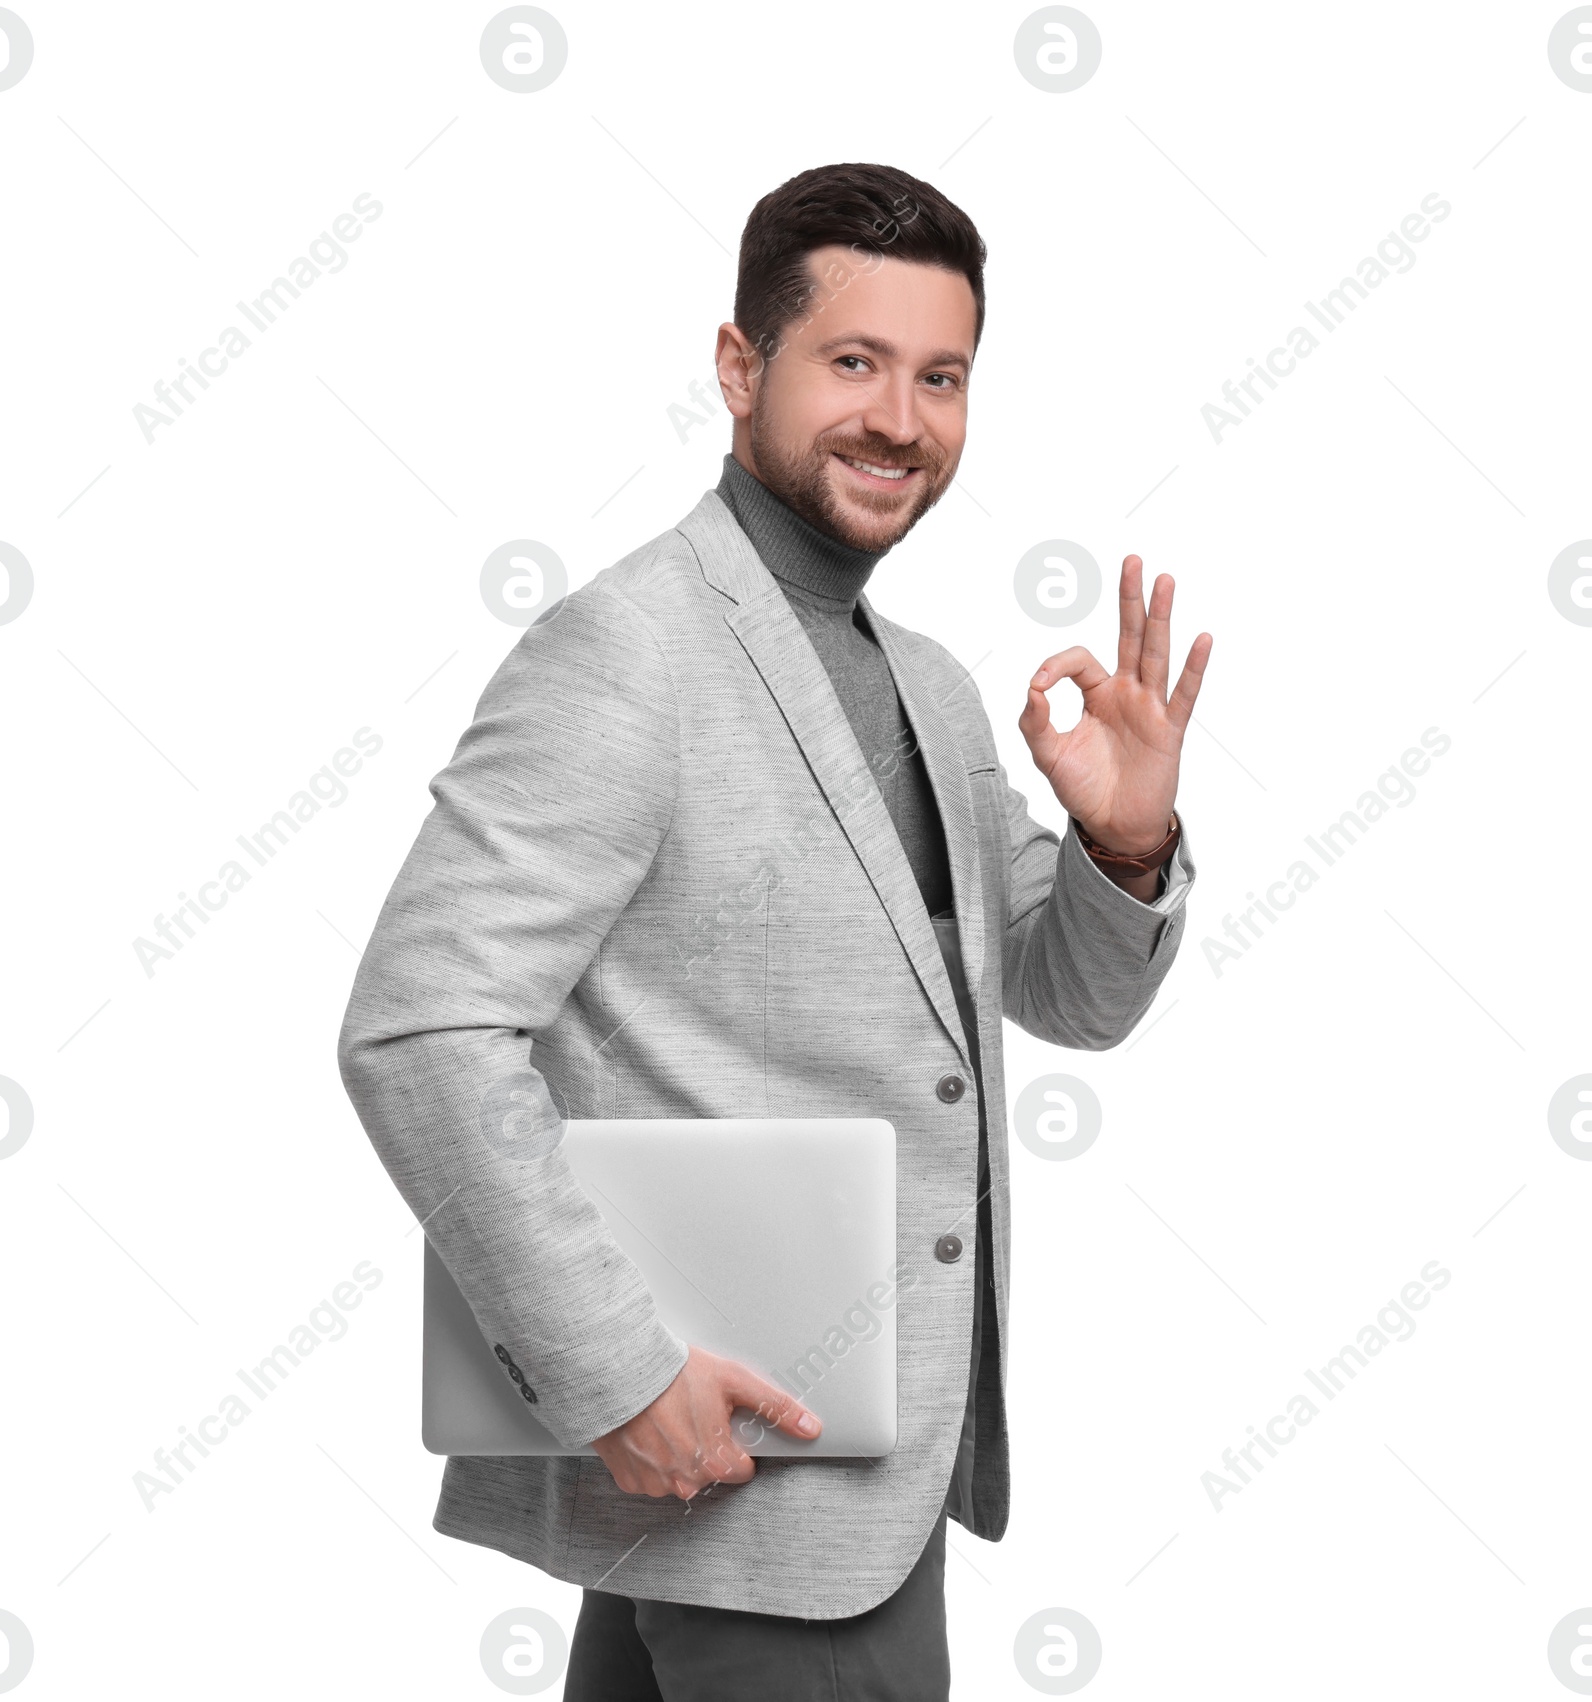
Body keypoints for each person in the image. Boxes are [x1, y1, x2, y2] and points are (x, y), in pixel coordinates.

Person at [337, 160, 1212, 1699]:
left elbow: (1060, 992)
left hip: (813, 1476)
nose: (901, 419)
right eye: (854, 362)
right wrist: (620, 1370)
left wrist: (1123, 838)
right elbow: (419, 1029)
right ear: (742, 368)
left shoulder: (931, 682)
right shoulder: (629, 648)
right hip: (736, 1439)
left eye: (941, 376)